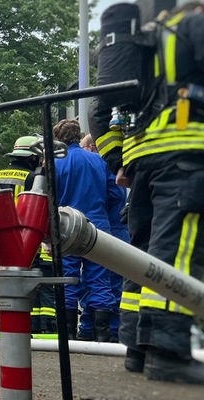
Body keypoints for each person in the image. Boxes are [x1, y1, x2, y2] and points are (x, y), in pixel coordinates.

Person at [89, 2, 204, 384]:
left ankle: (137, 349)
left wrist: (117, 160)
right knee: (178, 252)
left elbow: (99, 110)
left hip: (142, 163)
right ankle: (168, 352)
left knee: (142, 255)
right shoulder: (193, 26)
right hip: (186, 154)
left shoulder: (142, 40)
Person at [0, 136, 57, 334]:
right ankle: (35, 330)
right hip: (24, 243)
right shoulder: (33, 178)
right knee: (29, 287)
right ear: (32, 157)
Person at [53, 120, 124, 342]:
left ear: (58, 138)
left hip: (66, 226)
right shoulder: (99, 160)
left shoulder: (54, 163)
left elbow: (48, 197)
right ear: (78, 135)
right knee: (100, 278)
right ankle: (102, 335)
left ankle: (68, 334)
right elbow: (117, 195)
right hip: (97, 226)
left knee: (67, 278)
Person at [77, 134, 128, 342]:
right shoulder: (107, 168)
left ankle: (100, 330)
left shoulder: (104, 165)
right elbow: (117, 194)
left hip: (110, 227)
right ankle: (100, 330)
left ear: (91, 147)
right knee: (102, 281)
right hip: (110, 227)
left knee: (103, 282)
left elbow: (116, 196)